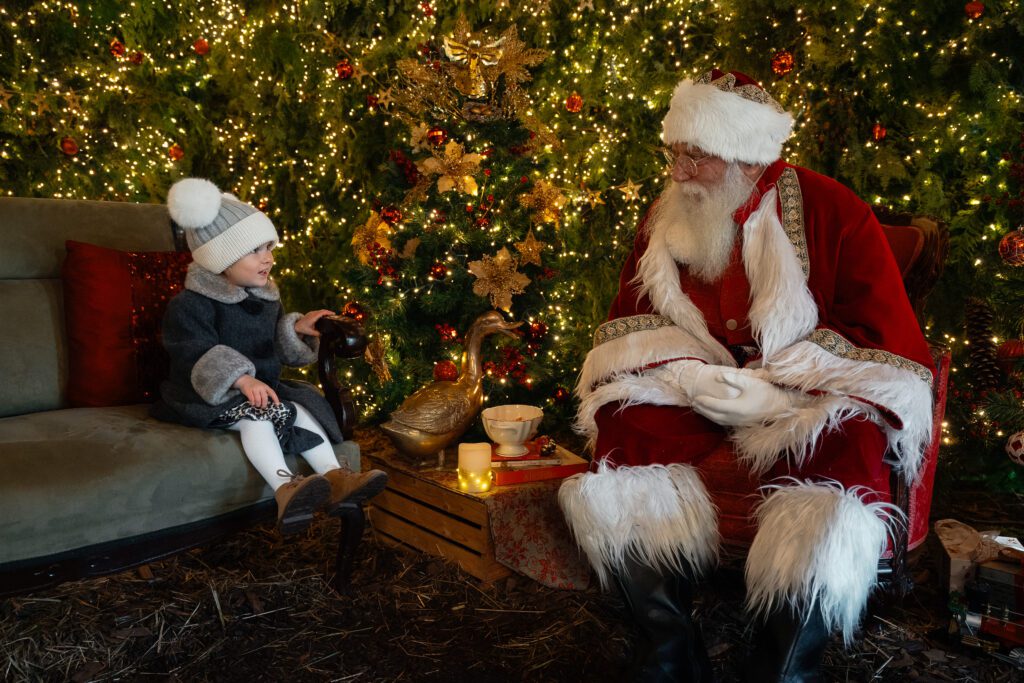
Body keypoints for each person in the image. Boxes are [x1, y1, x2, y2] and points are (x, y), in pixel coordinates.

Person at [558, 70, 936, 682]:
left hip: (806, 388)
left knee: (846, 448)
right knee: (625, 424)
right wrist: (690, 375)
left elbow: (882, 337)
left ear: (745, 154)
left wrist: (774, 390)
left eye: (696, 156)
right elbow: (634, 322)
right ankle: (670, 652)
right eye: (674, 152)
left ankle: (785, 665)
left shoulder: (835, 211)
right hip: (698, 382)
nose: (679, 172)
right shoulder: (667, 215)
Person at [153, 177, 387, 535]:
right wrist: (240, 378)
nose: (269, 259)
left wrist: (294, 330)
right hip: (205, 395)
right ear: (222, 258)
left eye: (269, 247)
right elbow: (192, 352)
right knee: (258, 418)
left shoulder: (265, 298)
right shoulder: (190, 305)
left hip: (258, 388)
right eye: (256, 251)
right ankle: (285, 489)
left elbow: (272, 345)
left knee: (299, 409)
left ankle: (338, 478)